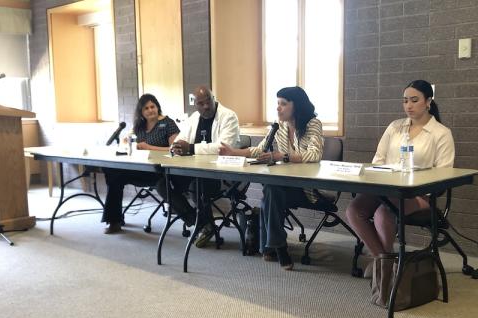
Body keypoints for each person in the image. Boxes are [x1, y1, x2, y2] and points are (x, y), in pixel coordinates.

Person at [345, 80, 455, 276]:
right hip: (386, 188)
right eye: (405, 101)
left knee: (383, 212)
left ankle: (383, 267)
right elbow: (377, 160)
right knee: (354, 210)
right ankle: (384, 260)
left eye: (414, 100)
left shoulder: (441, 133)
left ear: (428, 101)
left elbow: (444, 174)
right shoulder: (395, 127)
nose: (409, 106)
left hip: (420, 194)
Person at [219, 86, 324, 270]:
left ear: (296, 106)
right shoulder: (280, 126)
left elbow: (314, 154)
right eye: (277, 103)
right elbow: (261, 149)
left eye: (283, 104)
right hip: (284, 185)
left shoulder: (312, 124)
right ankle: (279, 246)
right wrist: (233, 152)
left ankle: (271, 246)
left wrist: (283, 156)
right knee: (271, 189)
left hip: (306, 189)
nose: (278, 108)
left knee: (270, 192)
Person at [156, 85, 240, 247]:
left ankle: (204, 225)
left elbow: (223, 147)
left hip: (219, 174)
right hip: (193, 171)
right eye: (201, 104)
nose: (206, 106)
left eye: (208, 101)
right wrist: (177, 147)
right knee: (162, 184)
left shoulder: (229, 116)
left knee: (197, 185)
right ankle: (199, 222)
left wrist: (191, 148)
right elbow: (181, 141)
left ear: (214, 98)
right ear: (195, 105)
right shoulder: (194, 117)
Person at [102, 94, 180, 234]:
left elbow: (175, 149)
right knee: (113, 174)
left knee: (115, 176)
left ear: (157, 107)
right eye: (146, 108)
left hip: (159, 171)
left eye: (153, 106)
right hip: (140, 168)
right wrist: (127, 142)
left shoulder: (168, 123)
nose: (150, 110)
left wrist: (148, 147)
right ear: (141, 112)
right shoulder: (139, 126)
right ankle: (114, 221)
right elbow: (130, 143)